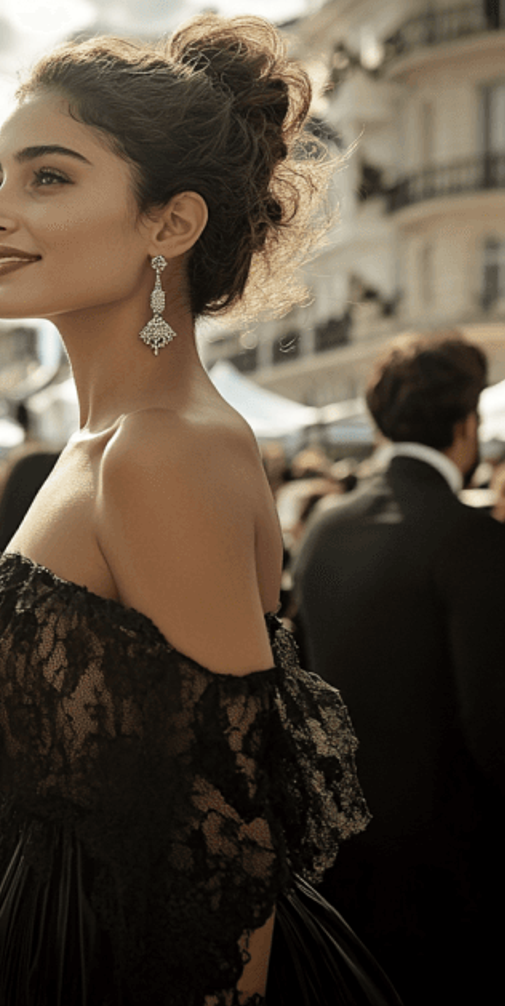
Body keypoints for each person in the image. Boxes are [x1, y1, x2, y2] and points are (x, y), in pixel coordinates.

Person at [0, 16, 400, 1006]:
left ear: (170, 225)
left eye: (48, 177)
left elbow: (231, 829)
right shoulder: (107, 442)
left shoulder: (165, 449)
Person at [292, 332, 505, 999]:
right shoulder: (472, 538)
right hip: (451, 875)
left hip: (342, 861)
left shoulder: (325, 524)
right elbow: (493, 725)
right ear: (466, 424)